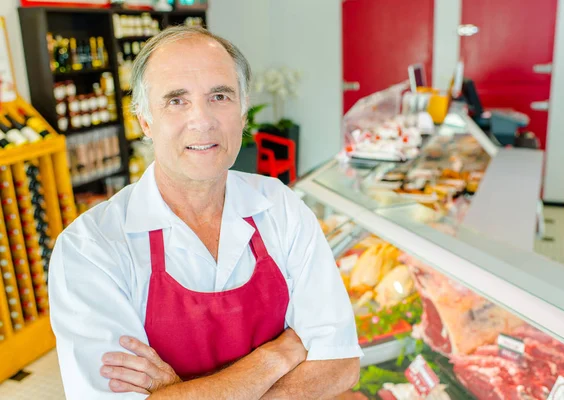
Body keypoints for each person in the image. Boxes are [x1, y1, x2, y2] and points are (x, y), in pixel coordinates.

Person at [49, 25, 362, 399]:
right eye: (176, 100)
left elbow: (340, 366)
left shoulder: (281, 207)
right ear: (145, 121)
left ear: (243, 113)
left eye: (219, 96)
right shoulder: (90, 249)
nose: (202, 120)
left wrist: (180, 393)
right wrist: (278, 355)